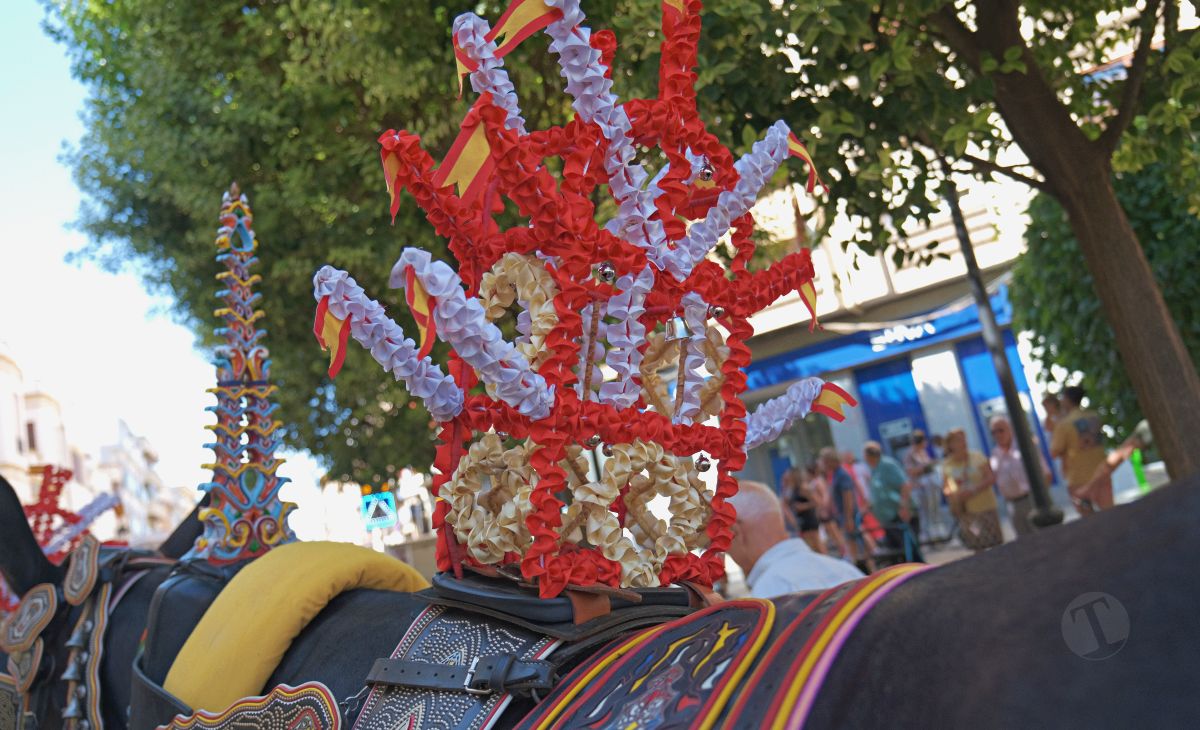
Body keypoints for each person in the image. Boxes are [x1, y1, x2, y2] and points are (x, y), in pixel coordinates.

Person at [727, 480, 862, 597]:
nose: (726, 549)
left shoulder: (771, 590)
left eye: (723, 539)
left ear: (736, 531)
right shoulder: (846, 570)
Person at [988, 415, 1052, 538]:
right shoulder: (995, 454)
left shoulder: (1025, 447)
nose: (997, 435)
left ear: (1010, 429)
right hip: (1013, 505)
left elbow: (1046, 474)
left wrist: (1042, 499)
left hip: (1031, 500)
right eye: (993, 432)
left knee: (1043, 537)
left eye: (1001, 430)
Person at [1050, 385, 1109, 516]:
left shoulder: (1064, 424)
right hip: (1102, 471)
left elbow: (1054, 452)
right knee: (1110, 514)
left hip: (1078, 478)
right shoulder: (1094, 416)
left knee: (1089, 521)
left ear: (1066, 400)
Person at [942, 428, 1003, 552]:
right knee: (976, 544)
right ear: (950, 444)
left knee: (996, 545)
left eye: (964, 438)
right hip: (967, 512)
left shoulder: (977, 457)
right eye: (958, 440)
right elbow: (946, 487)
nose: (963, 442)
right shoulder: (947, 465)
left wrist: (973, 490)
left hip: (986, 508)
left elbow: (991, 477)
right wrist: (954, 495)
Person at [864, 441, 923, 562]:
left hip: (900, 514)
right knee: (897, 553)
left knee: (909, 551)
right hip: (889, 518)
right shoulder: (875, 469)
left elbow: (905, 485)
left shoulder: (888, 465)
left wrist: (904, 507)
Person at [820, 447, 874, 572]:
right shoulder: (836, 474)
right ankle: (860, 566)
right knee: (854, 540)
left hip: (848, 514)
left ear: (831, 461)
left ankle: (864, 568)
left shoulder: (841, 474)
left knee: (855, 541)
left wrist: (849, 518)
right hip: (845, 514)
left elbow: (848, 496)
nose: (823, 465)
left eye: (825, 461)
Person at [903, 430, 944, 540]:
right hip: (920, 488)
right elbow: (910, 471)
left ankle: (938, 534)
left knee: (934, 510)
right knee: (924, 513)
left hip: (931, 486)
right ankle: (926, 537)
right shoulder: (910, 455)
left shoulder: (923, 452)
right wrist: (925, 467)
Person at [783, 466, 824, 554]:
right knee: (809, 546)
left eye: (789, 475)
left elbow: (818, 502)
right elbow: (785, 503)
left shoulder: (803, 488)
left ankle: (827, 563)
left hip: (809, 518)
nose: (787, 476)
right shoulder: (792, 489)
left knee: (817, 544)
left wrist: (803, 506)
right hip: (801, 520)